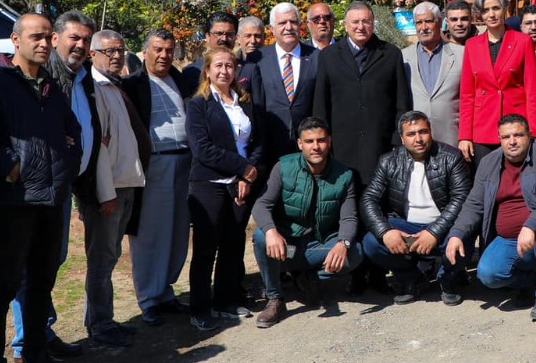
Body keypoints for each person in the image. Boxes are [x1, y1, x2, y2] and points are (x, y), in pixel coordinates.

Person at [0, 13, 82, 363]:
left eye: (48, 37)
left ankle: (36, 362)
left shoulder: (50, 84)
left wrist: (67, 167)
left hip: (51, 198)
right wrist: (9, 166)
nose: (44, 43)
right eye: (35, 36)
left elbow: (73, 130)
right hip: (14, 200)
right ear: (15, 40)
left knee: (42, 283)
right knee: (5, 284)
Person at [10, 10, 100, 363]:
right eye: (73, 38)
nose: (79, 45)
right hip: (35, 189)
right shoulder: (46, 77)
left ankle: (42, 331)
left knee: (51, 261)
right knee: (31, 266)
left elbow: (74, 131)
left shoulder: (82, 77)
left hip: (62, 186)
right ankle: (26, 342)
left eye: (85, 40)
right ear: (56, 39)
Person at [445, 115, 536, 322]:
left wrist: (531, 225)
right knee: (487, 274)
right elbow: (474, 204)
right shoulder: (488, 162)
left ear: (529, 136)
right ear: (499, 139)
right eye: (506, 137)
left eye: (518, 135)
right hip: (509, 240)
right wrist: (457, 233)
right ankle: (526, 283)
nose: (512, 141)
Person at [250, 117, 363, 327]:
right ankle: (275, 298)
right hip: (288, 248)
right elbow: (261, 204)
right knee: (260, 237)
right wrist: (271, 231)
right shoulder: (283, 167)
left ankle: (310, 277)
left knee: (354, 253)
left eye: (321, 140)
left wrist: (343, 243)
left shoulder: (344, 175)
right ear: (300, 144)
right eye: (309, 141)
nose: (316, 147)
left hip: (318, 246)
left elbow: (349, 217)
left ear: (329, 141)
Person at [186, 45, 264, 332]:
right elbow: (202, 149)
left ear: (236, 70)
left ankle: (224, 301)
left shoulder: (244, 102)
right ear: (207, 70)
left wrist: (248, 176)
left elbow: (257, 142)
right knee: (206, 248)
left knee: (233, 245)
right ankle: (200, 308)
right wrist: (241, 168)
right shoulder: (198, 105)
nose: (224, 71)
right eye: (218, 66)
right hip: (209, 184)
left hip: (241, 185)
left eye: (229, 66)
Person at [121, 30, 196, 324]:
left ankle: (166, 292)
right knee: (150, 234)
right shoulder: (133, 85)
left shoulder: (181, 80)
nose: (164, 55)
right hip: (155, 165)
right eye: (158, 49)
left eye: (169, 50)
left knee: (177, 231)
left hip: (185, 163)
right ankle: (149, 299)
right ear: (145, 51)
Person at [361, 111, 472, 305]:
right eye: (411, 134)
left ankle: (447, 280)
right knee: (372, 243)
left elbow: (461, 199)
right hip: (406, 225)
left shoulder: (451, 157)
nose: (418, 139)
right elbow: (368, 199)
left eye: (423, 132)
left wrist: (434, 232)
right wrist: (385, 231)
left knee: (466, 240)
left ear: (431, 132)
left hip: (442, 227)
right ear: (402, 139)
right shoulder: (388, 161)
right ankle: (413, 279)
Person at [85, 29, 149, 348]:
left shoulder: (115, 86)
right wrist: (105, 192)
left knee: (111, 256)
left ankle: (105, 319)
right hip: (108, 190)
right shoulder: (93, 89)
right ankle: (99, 324)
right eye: (108, 51)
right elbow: (97, 147)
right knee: (102, 258)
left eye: (120, 50)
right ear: (92, 54)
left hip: (126, 184)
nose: (116, 56)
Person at [312, 1, 412, 179]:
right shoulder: (328, 56)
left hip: (380, 146)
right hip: (342, 147)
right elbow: (321, 104)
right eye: (355, 22)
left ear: (373, 23)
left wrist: (397, 140)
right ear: (345, 25)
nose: (360, 27)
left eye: (366, 21)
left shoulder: (391, 54)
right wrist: (322, 141)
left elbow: (401, 101)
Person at [459, 0, 536, 165]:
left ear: (504, 9)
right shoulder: (472, 45)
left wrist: (534, 132)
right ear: (480, 15)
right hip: (483, 127)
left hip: (515, 127)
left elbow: (532, 91)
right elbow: (467, 95)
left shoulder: (523, 41)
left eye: (495, 8)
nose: (491, 14)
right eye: (486, 10)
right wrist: (465, 135)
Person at [245, 2, 318, 156]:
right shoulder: (257, 59)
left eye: (293, 22)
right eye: (282, 23)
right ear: (272, 29)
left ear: (300, 25)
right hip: (270, 147)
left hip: (309, 146)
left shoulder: (317, 57)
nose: (289, 27)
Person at [404, 1, 464, 146]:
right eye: (419, 23)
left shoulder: (462, 54)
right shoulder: (403, 58)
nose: (424, 27)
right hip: (416, 141)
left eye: (429, 21)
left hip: (452, 138)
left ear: (440, 22)